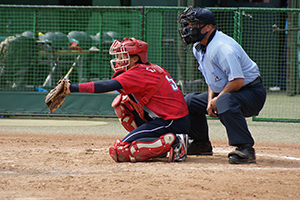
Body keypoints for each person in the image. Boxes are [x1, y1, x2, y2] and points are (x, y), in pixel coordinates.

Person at [66, 37, 190, 162]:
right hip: (168, 118)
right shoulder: (148, 68)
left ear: (135, 58)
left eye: (122, 57)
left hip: (171, 122)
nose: (118, 61)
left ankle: (176, 142)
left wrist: (71, 88)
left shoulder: (138, 72)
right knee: (123, 103)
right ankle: (159, 145)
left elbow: (105, 86)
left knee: (122, 150)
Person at [177, 7, 266, 164]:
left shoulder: (223, 47)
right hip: (230, 91)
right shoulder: (198, 47)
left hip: (251, 93)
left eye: (194, 25)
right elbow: (212, 79)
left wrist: (218, 99)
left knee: (225, 101)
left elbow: (237, 81)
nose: (189, 29)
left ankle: (245, 148)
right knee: (189, 101)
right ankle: (201, 144)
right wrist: (211, 99)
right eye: (189, 25)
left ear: (208, 27)